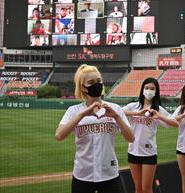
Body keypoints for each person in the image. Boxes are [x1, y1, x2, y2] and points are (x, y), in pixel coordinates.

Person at [55, 64, 134, 193]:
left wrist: (116, 117)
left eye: (98, 81)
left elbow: (131, 138)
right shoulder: (74, 111)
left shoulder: (115, 108)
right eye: (91, 82)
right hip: (83, 174)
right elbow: (59, 135)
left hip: (109, 173)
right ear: (83, 88)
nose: (96, 85)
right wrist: (81, 115)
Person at [123, 77, 178, 193]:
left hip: (149, 153)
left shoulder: (158, 109)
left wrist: (159, 116)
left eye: (152, 89)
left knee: (147, 188)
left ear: (156, 92)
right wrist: (137, 113)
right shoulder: (134, 106)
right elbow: (119, 111)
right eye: (146, 88)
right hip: (133, 151)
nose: (149, 91)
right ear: (142, 89)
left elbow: (175, 123)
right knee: (138, 188)